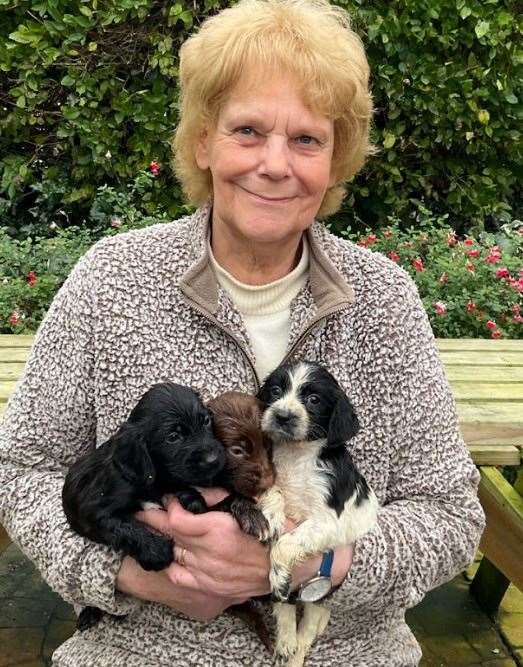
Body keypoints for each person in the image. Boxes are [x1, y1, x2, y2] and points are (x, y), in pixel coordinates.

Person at [0, 0, 485, 665]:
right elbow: (21, 466)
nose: (275, 164)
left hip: (346, 653)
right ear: (202, 139)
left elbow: (449, 514)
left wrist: (305, 567)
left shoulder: (383, 299)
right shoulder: (110, 280)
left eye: (306, 139)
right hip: (146, 651)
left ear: (335, 156)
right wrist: (133, 574)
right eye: (248, 130)